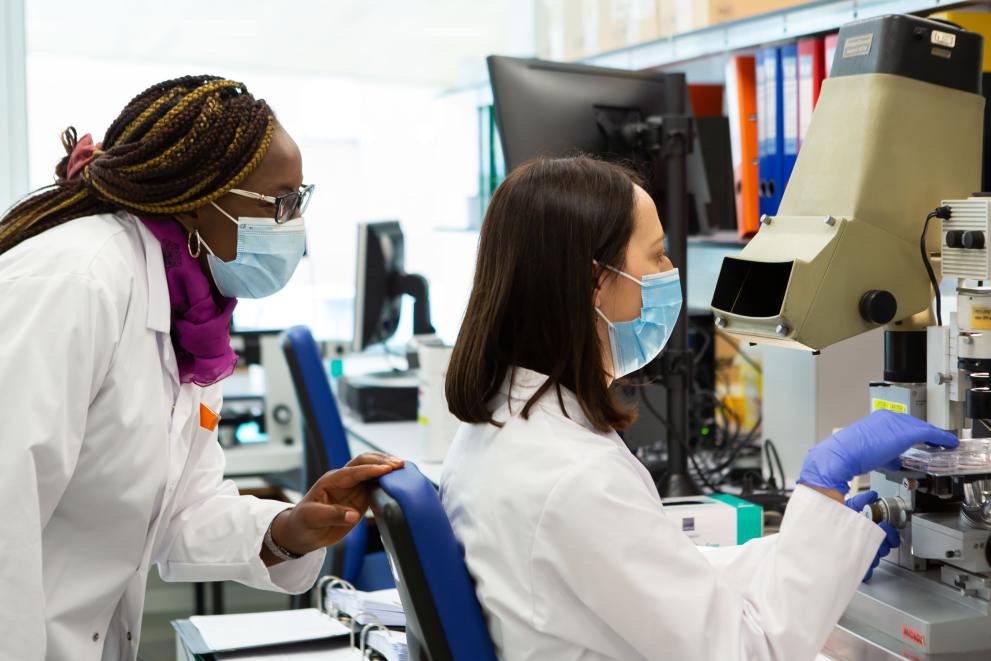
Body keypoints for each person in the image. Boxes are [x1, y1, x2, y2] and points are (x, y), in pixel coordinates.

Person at [440, 155, 956, 660]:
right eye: (658, 254)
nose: (671, 270)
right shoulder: (575, 478)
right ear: (596, 282)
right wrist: (820, 488)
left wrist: (819, 548)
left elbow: (667, 578)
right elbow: (751, 651)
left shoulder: (504, 425)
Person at [0, 76, 402, 660]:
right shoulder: (76, 283)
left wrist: (286, 532)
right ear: (198, 198)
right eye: (281, 204)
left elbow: (181, 509)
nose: (295, 230)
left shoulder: (184, 305)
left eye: (299, 202)